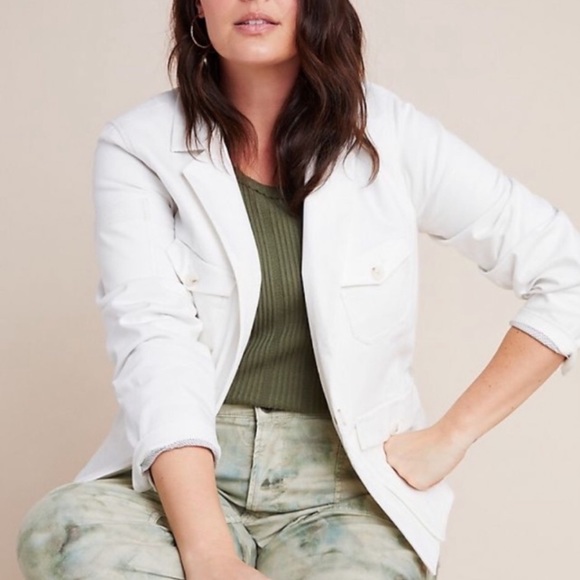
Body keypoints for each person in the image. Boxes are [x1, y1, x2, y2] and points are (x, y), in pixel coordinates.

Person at [17, 0, 580, 578]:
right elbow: (155, 342)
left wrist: (452, 435)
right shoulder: (140, 145)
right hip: (186, 474)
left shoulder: (391, 134)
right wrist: (208, 552)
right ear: (198, 7)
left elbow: (566, 269)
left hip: (346, 488)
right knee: (60, 539)